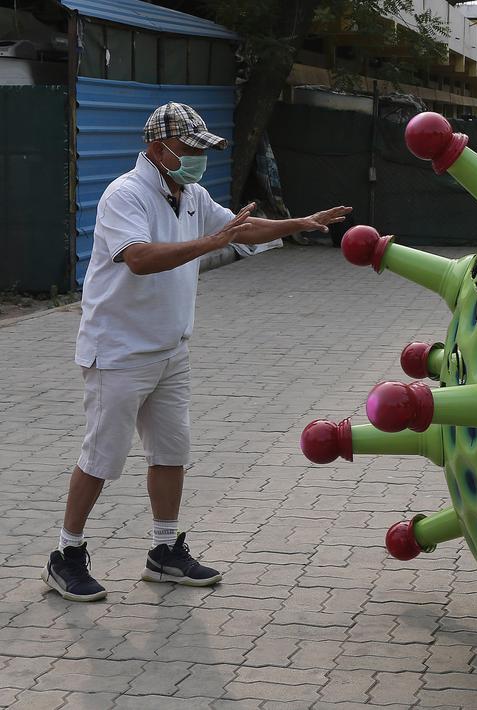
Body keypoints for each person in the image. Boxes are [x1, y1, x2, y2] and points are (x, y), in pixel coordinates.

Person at [43, 102, 352, 602]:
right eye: (189, 150)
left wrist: (299, 222)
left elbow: (238, 230)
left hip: (170, 349)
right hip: (119, 351)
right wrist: (210, 243)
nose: (197, 160)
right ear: (157, 148)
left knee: (171, 451)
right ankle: (66, 555)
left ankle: (164, 551)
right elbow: (139, 259)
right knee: (102, 455)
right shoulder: (125, 195)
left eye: (200, 151)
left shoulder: (190, 193)